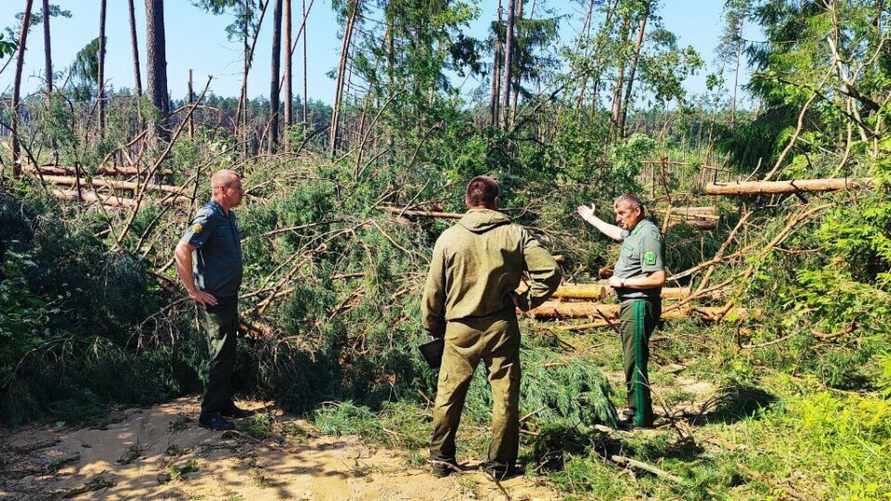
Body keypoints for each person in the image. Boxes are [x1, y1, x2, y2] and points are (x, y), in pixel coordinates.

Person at [422, 176, 562, 479]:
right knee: (505, 396)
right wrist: (526, 300)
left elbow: (434, 290)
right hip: (501, 325)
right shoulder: (515, 234)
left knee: (449, 394)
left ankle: (441, 461)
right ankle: (500, 465)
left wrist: (433, 325)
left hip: (459, 327)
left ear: (467, 201)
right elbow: (550, 271)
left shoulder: (449, 238)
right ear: (496, 202)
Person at [577, 193, 665, 428]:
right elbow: (616, 234)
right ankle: (635, 410)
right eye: (616, 213)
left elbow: (657, 278)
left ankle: (640, 418)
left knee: (635, 360)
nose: (617, 218)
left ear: (637, 211)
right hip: (630, 304)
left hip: (639, 304)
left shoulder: (649, 234)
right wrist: (591, 219)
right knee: (630, 358)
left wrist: (622, 282)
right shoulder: (634, 232)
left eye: (622, 213)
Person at [175, 169, 251, 431]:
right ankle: (209, 413)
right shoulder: (208, 216)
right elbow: (182, 249)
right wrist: (193, 291)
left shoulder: (226, 216)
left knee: (228, 352)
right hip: (215, 298)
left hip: (229, 296)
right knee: (219, 354)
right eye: (237, 188)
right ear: (222, 190)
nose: (242, 193)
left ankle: (224, 403)